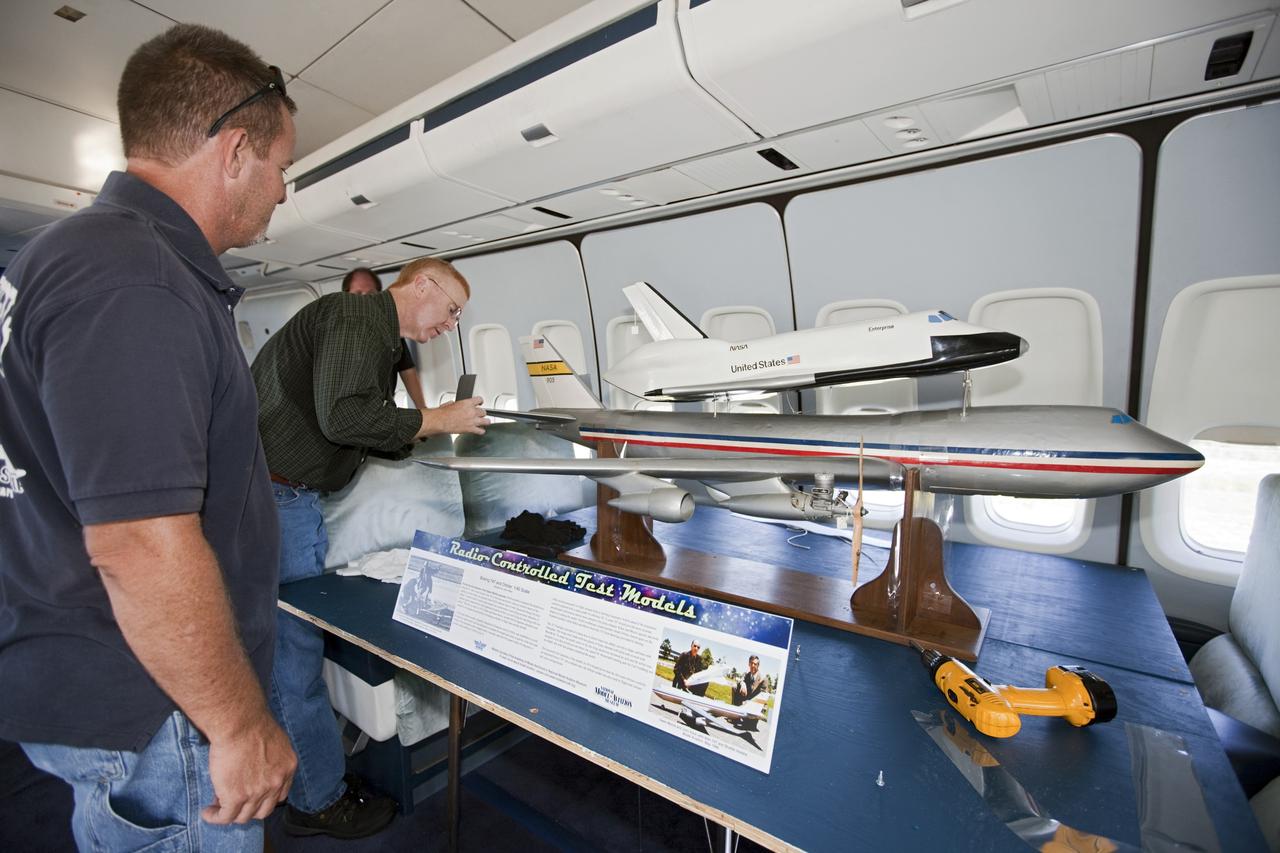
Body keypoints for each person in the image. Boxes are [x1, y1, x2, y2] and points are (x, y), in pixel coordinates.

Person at [0, 24, 298, 851]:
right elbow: (136, 541)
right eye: (281, 167)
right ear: (235, 150)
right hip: (159, 705)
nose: (282, 191)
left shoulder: (61, 256)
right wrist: (239, 726)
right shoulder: (134, 277)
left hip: (101, 672)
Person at [252, 255, 488, 838]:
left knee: (288, 652)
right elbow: (343, 418)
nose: (451, 324)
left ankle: (308, 777)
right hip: (280, 502)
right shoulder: (360, 318)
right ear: (423, 286)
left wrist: (418, 442)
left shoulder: (368, 334)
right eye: (452, 309)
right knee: (293, 656)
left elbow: (355, 422)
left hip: (278, 496)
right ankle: (317, 801)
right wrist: (433, 420)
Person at [342, 266, 428, 410]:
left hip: (384, 410)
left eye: (371, 293)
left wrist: (424, 411)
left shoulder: (390, 329)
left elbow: (407, 371)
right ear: (345, 297)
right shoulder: (339, 333)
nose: (365, 299)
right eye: (358, 294)